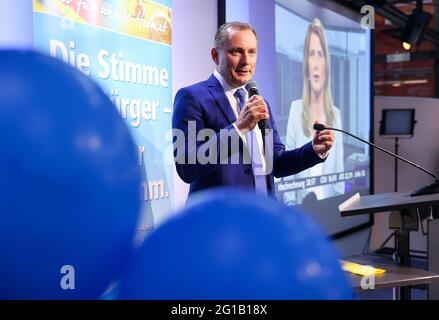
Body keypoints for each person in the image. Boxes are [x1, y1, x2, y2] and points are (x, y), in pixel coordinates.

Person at [172, 21, 334, 197]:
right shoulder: (192, 97)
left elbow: (276, 163)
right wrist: (239, 127)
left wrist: (314, 150)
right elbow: (186, 167)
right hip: (222, 221)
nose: (246, 61)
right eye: (236, 51)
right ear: (215, 55)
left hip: (262, 216)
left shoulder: (258, 102)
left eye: (252, 52)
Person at [284, 18, 344, 205]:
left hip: (329, 212)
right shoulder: (296, 109)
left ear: (327, 63)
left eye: (320, 54)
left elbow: (339, 177)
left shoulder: (335, 114)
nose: (316, 62)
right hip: (301, 212)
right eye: (311, 54)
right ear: (306, 64)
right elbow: (286, 169)